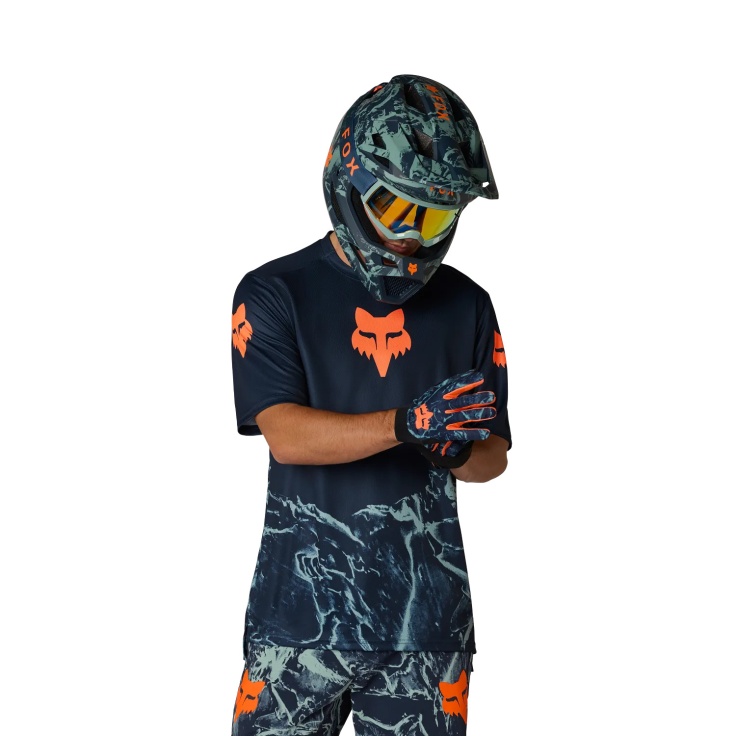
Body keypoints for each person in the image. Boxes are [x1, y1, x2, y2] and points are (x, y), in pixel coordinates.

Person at [230, 74, 511, 736]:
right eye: (395, 208)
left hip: (427, 627)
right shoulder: (274, 292)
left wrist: (456, 449)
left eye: (433, 216)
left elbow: (492, 459)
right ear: (350, 181)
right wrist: (408, 425)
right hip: (296, 624)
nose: (412, 235)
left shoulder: (469, 305)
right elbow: (285, 435)